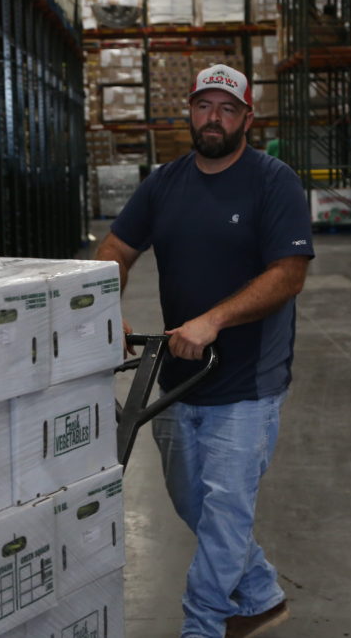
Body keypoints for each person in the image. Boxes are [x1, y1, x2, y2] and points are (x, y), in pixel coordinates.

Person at [95, 63, 314, 638]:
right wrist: (102, 312)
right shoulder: (164, 183)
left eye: (226, 108)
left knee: (223, 517)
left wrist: (213, 320)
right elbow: (114, 249)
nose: (212, 118)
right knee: (191, 501)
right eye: (203, 106)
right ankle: (261, 593)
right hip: (177, 377)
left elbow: (289, 275)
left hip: (248, 382)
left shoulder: (273, 181)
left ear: (247, 117)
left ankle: (203, 626)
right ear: (189, 111)